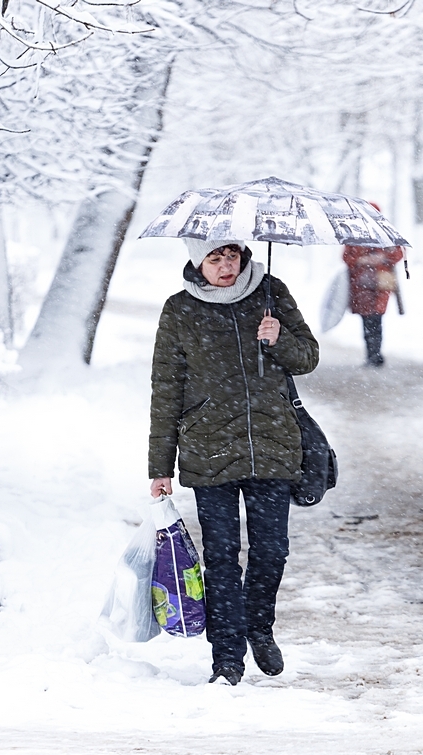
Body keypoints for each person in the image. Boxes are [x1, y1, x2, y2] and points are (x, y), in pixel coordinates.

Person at [149, 238, 319, 686]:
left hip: (272, 446)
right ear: (196, 261)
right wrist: (159, 466)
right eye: (214, 258)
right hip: (209, 449)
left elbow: (308, 357)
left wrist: (279, 339)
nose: (226, 266)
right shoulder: (180, 310)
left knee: (271, 551)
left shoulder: (271, 292)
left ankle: (258, 628)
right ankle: (226, 657)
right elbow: (166, 390)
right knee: (221, 557)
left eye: (233, 256)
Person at [343, 233, 403, 367]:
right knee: (368, 319)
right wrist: (362, 260)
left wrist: (384, 257)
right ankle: (373, 353)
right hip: (361, 286)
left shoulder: (386, 236)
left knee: (376, 317)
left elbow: (398, 255)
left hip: (381, 284)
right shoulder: (354, 237)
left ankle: (374, 353)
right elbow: (347, 257)